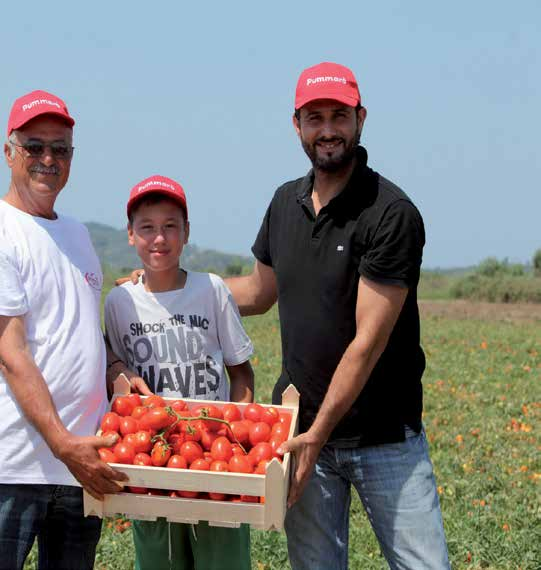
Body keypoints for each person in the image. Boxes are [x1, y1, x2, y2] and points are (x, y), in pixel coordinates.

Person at [225, 62, 451, 569]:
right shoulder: (284, 203)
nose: (327, 129)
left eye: (339, 116)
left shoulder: (390, 213)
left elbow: (367, 341)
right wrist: (173, 289)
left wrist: (314, 435)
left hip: (384, 436)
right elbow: (259, 292)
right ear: (297, 124)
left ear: (360, 119)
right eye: (315, 117)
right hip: (304, 434)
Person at [0, 90, 130, 570]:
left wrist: (114, 366)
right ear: (8, 151)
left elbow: (77, 327)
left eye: (61, 149)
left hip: (83, 465)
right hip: (15, 465)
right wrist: (62, 444)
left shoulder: (77, 235)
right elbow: (10, 351)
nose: (48, 160)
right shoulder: (2, 230)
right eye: (35, 147)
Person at [104, 175, 254, 570]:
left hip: (214, 462)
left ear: (186, 232)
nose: (159, 238)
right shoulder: (120, 302)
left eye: (171, 226)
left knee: (223, 559)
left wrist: (238, 441)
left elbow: (241, 373)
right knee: (158, 558)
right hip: (151, 465)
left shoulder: (212, 290)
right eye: (147, 228)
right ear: (131, 236)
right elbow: (118, 383)